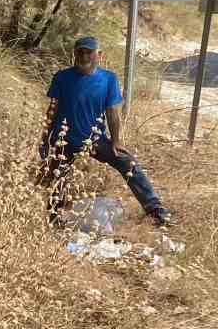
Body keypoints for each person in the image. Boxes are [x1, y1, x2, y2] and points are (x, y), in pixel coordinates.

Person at [40, 36, 169, 226]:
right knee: (57, 177)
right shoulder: (62, 77)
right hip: (62, 139)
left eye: (89, 52)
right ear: (75, 53)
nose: (84, 56)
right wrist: (45, 138)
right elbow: (52, 109)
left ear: (99, 55)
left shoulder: (108, 79)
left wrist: (116, 141)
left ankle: (156, 210)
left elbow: (112, 112)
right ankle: (55, 220)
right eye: (80, 51)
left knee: (128, 164)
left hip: (94, 140)